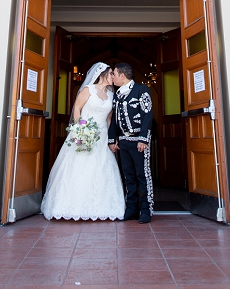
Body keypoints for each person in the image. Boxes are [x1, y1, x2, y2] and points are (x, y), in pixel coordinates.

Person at [41, 62, 125, 221]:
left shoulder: (112, 96)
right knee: (78, 168)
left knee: (101, 169)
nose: (113, 77)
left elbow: (108, 119)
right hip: (84, 132)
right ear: (102, 75)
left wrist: (111, 139)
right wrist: (80, 131)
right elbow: (77, 109)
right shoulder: (89, 90)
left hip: (101, 137)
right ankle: (71, 207)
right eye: (111, 74)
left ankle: (102, 207)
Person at [108, 63, 153, 223]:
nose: (111, 76)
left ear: (122, 75)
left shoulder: (142, 90)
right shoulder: (117, 95)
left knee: (143, 175)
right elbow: (114, 119)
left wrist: (143, 139)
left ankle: (146, 210)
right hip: (124, 142)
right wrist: (112, 140)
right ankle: (132, 209)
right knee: (129, 176)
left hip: (138, 142)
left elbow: (147, 115)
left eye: (113, 73)